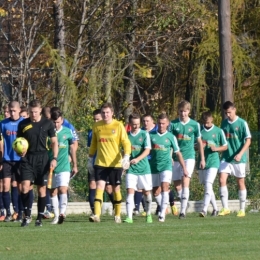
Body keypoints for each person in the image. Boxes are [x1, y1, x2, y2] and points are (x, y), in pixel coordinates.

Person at [17, 99, 58, 227]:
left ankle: (39, 218)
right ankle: (27, 215)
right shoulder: (23, 124)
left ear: (40, 110)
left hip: (43, 159)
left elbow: (54, 142)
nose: (33, 114)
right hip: (27, 159)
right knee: (24, 187)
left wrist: (54, 158)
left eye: (35, 112)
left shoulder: (48, 123)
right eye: (30, 112)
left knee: (41, 189)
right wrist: (19, 151)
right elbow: (18, 142)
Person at [88, 102, 131, 223]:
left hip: (115, 164)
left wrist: (126, 156)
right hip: (101, 163)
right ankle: (96, 215)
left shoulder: (118, 125)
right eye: (103, 112)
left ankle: (117, 215)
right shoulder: (97, 126)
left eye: (107, 112)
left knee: (116, 189)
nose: (105, 115)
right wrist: (90, 159)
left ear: (112, 113)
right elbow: (94, 144)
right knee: (99, 187)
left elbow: (126, 142)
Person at [169, 100, 205, 219]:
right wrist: (170, 156)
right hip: (176, 157)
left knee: (185, 180)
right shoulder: (173, 124)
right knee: (177, 184)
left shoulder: (195, 125)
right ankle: (184, 199)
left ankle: (183, 211)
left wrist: (202, 158)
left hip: (189, 157)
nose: (183, 113)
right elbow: (169, 142)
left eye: (185, 111)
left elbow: (199, 141)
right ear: (178, 111)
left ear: (188, 111)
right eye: (181, 111)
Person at [150, 113, 188, 222]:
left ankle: (162, 214)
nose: (161, 125)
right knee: (156, 192)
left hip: (166, 166)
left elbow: (178, 153)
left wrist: (184, 168)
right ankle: (164, 207)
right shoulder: (151, 135)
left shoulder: (171, 137)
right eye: (159, 123)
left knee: (165, 186)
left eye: (163, 123)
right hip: (153, 166)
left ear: (167, 124)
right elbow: (146, 150)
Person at [218, 101, 251, 217]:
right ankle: (225, 208)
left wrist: (241, 154)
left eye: (229, 112)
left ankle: (242, 209)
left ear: (234, 110)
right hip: (226, 158)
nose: (228, 115)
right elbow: (221, 140)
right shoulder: (224, 124)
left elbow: (248, 140)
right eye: (226, 113)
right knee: (222, 180)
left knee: (240, 182)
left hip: (238, 159)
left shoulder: (242, 123)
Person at [49, 109, 78, 224]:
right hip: (51, 167)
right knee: (52, 192)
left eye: (58, 122)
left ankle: (62, 213)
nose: (56, 124)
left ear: (62, 120)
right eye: (54, 122)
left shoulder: (67, 131)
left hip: (64, 166)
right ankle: (56, 216)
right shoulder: (48, 132)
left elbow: (72, 149)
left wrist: (75, 165)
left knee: (63, 189)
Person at [124, 114, 153, 224]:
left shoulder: (144, 134)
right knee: (130, 191)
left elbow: (147, 150)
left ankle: (149, 214)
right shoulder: (126, 136)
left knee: (147, 193)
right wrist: (124, 162)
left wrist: (137, 159)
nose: (135, 126)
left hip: (144, 169)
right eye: (133, 124)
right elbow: (124, 151)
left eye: (137, 124)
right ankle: (129, 217)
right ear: (130, 124)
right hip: (131, 169)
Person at [198, 111, 228, 217]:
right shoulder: (200, 131)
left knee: (208, 184)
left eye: (208, 122)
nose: (206, 125)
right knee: (207, 187)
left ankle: (204, 209)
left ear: (212, 120)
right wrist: (199, 146)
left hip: (214, 162)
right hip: (202, 162)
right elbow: (194, 145)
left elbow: (225, 146)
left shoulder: (218, 131)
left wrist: (216, 148)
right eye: (204, 122)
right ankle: (215, 209)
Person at [0, 101, 24, 221]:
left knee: (19, 186)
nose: (12, 113)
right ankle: (8, 213)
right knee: (5, 186)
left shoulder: (23, 123)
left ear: (19, 110)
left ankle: (19, 212)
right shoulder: (3, 124)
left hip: (19, 160)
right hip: (7, 159)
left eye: (14, 111)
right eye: (11, 111)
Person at [87, 109, 114, 215]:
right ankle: (95, 212)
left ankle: (116, 207)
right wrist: (89, 161)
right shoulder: (91, 132)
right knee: (92, 185)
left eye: (97, 119)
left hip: (106, 163)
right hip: (94, 163)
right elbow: (91, 148)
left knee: (108, 188)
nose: (95, 121)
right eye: (94, 119)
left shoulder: (110, 129)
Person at [0, 104, 10, 220]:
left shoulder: (5, 126)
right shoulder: (2, 124)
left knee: (6, 185)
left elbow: (1, 146)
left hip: (6, 159)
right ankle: (2, 210)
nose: (6, 114)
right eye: (5, 112)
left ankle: (16, 210)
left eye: (8, 111)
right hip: (4, 159)